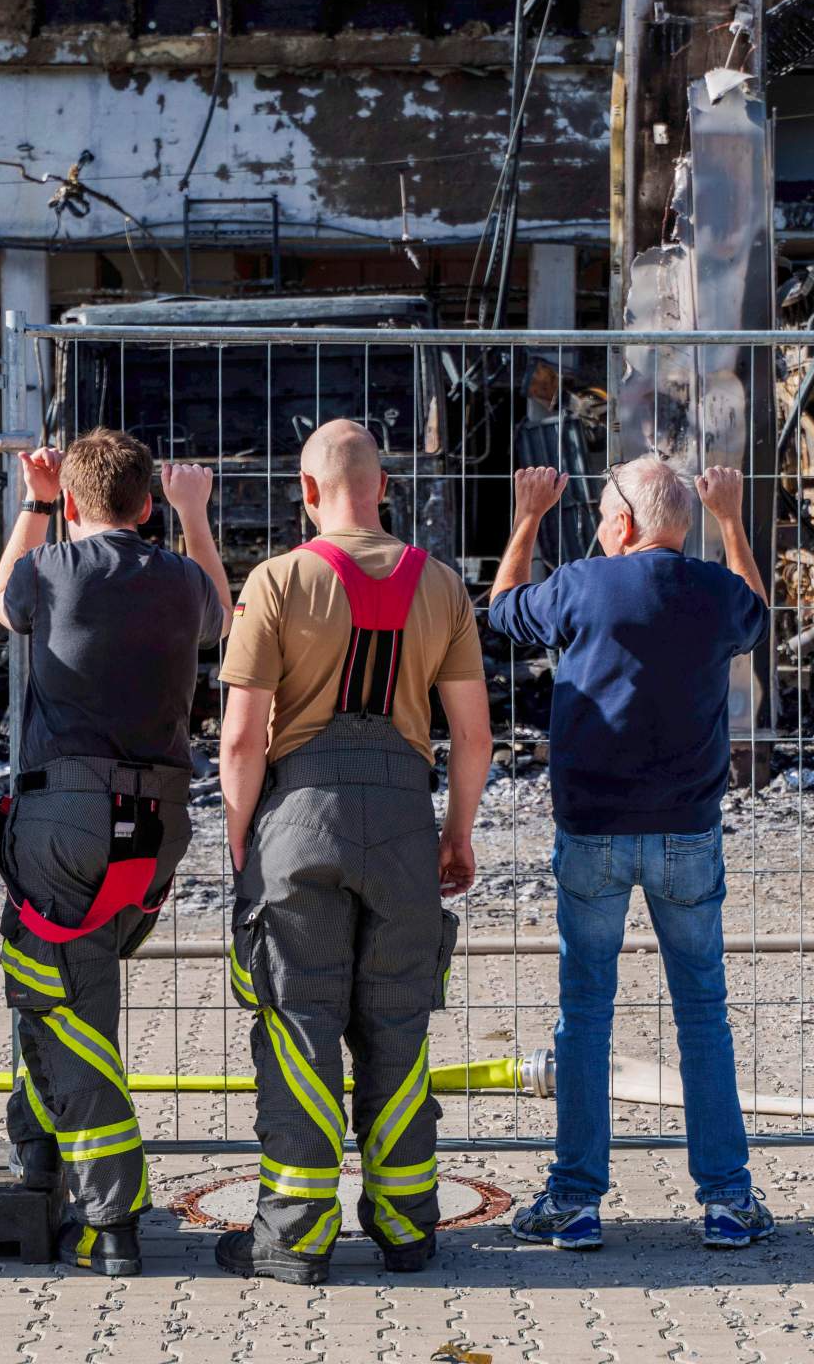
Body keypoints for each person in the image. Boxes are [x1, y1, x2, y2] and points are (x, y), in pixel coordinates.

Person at [214, 420, 491, 1285]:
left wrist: (243, 848)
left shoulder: (278, 580)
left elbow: (241, 740)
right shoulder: (442, 585)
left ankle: (294, 1237)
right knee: (398, 1027)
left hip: (299, 821)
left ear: (306, 490)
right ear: (383, 486)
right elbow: (474, 735)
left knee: (300, 1026)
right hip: (406, 823)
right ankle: (408, 1227)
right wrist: (455, 833)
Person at [485, 458, 780, 1252]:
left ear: (621, 523)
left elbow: (503, 610)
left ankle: (575, 1200)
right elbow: (758, 612)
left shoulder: (582, 585)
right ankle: (726, 1199)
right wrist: (732, 520)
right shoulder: (714, 593)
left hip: (593, 832)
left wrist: (529, 515)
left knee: (585, 1015)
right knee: (703, 1014)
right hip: (688, 831)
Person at [0, 428, 229, 1278]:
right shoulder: (179, 578)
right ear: (151, 505)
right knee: (68, 988)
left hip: (67, 817)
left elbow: (0, 602)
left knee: (62, 1004)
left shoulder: (51, 569)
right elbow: (219, 617)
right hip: (156, 824)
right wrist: (197, 518)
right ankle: (39, 1154)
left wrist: (35, 501)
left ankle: (111, 1217)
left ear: (79, 506)